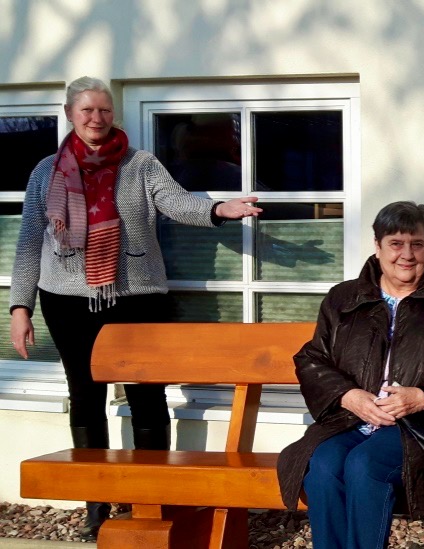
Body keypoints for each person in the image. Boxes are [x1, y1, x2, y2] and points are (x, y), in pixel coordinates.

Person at [8, 76, 262, 541]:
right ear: (69, 113)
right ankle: (97, 503)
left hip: (137, 297)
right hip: (65, 300)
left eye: (103, 110)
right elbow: (28, 241)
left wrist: (218, 209)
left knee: (147, 395)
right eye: (86, 110)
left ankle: (155, 496)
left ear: (113, 115)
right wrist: (19, 306)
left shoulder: (141, 165)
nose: (95, 118)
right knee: (85, 396)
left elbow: (177, 203)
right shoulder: (46, 171)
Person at [276, 200, 424, 549]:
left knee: (365, 464)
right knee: (323, 465)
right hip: (353, 420)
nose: (407, 254)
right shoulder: (343, 298)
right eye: (395, 243)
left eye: (417, 244)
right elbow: (313, 359)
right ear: (377, 246)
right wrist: (349, 396)